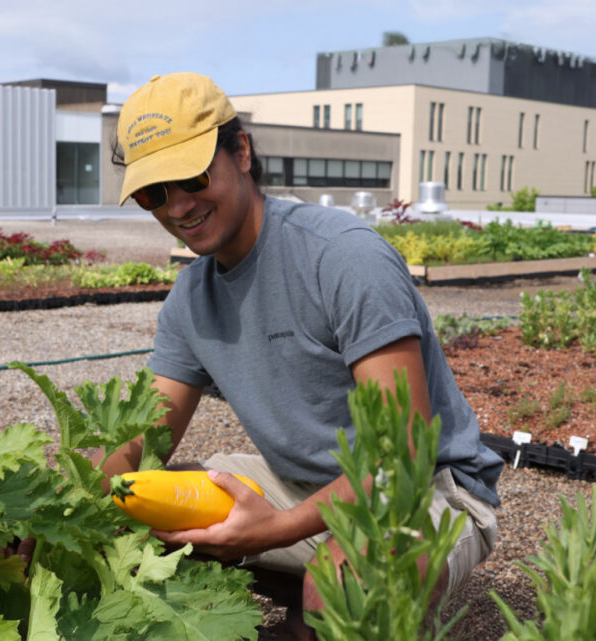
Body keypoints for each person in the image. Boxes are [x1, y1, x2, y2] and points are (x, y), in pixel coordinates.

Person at [98, 71, 503, 636]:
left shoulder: (340, 257)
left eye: (191, 175)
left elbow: (402, 449)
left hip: (427, 488)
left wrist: (280, 527)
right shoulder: (191, 298)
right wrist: (64, 515)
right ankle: (305, 596)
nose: (179, 205)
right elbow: (139, 441)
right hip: (304, 482)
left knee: (340, 587)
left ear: (240, 151)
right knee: (141, 504)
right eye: (153, 193)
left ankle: (328, 595)